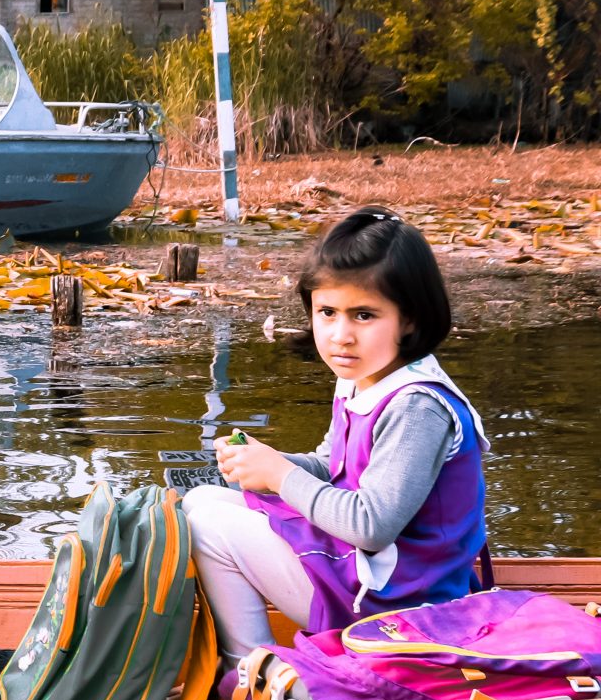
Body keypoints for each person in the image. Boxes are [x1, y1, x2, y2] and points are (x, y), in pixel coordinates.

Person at [186, 207, 491, 662]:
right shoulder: (361, 376)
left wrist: (278, 475)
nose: (340, 335)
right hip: (374, 573)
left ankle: (257, 671)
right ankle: (260, 663)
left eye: (364, 315)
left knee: (207, 526)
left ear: (409, 319)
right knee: (204, 500)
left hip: (404, 606)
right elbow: (333, 466)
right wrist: (267, 460)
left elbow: (370, 525)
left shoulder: (417, 407)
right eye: (327, 312)